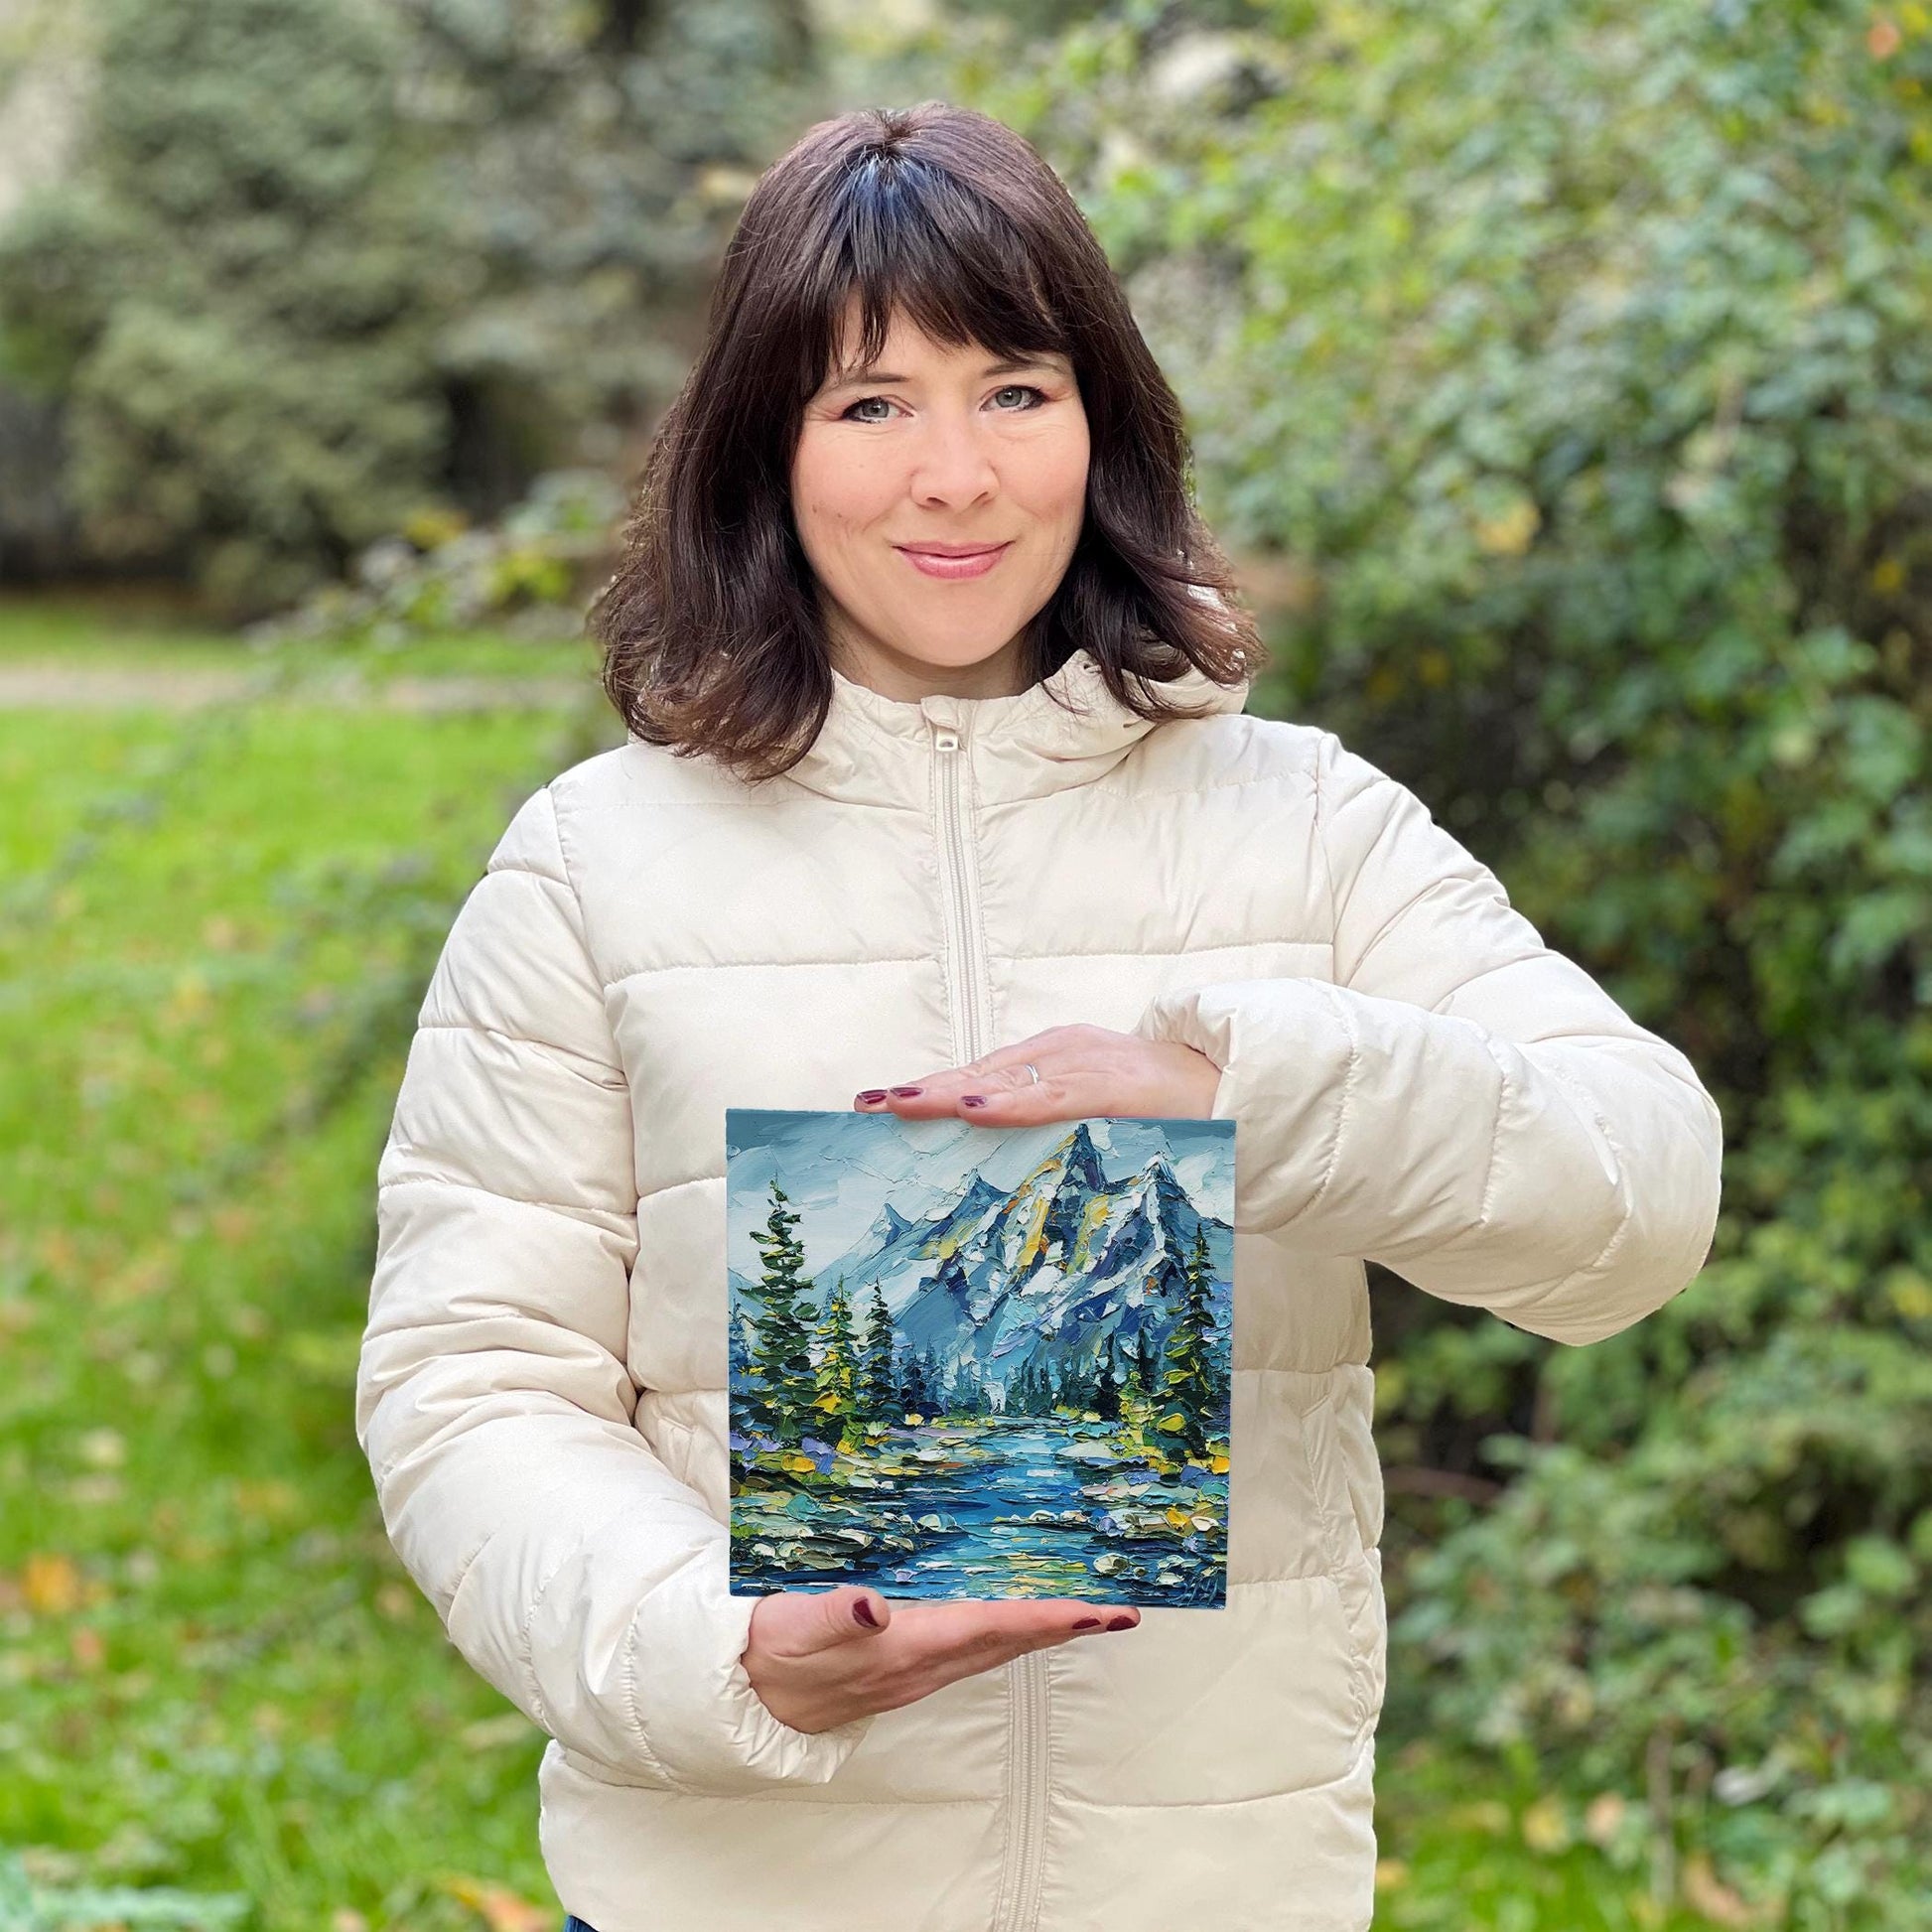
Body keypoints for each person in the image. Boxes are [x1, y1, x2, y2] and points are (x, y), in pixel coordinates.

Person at [353, 99, 1724, 1932]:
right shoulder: (590, 868)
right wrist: (722, 1644)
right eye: (869, 403)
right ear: (762, 448)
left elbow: (1638, 1195)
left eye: (1015, 387)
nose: (955, 474)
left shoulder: (1308, 825)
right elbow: (470, 1389)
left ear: (1104, 423)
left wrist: (1246, 1091)